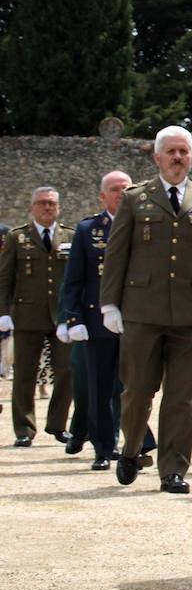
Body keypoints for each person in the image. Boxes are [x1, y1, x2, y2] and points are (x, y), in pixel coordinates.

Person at [100, 126, 192, 494]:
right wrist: (110, 303)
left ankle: (173, 469)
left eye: (183, 152)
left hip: (191, 314)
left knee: (183, 398)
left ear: (191, 157)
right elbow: (117, 254)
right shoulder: (135, 198)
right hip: (142, 311)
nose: (177, 158)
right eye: (170, 152)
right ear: (157, 157)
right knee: (138, 391)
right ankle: (131, 448)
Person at [60, 171, 134, 470]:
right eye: (114, 189)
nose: (120, 193)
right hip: (96, 319)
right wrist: (72, 317)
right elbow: (73, 279)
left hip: (136, 319)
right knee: (100, 388)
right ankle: (104, 448)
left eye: (125, 189)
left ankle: (137, 441)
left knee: (134, 386)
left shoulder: (145, 227)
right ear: (102, 196)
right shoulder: (88, 229)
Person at [0, 187, 75, 446]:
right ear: (32, 207)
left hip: (61, 316)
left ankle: (57, 424)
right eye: (42, 203)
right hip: (27, 314)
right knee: (24, 373)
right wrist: (3, 313)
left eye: (52, 203)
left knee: (66, 370)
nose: (47, 208)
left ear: (58, 207)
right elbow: (5, 278)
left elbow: (76, 278)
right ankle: (24, 429)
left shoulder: (70, 236)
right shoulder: (16, 237)